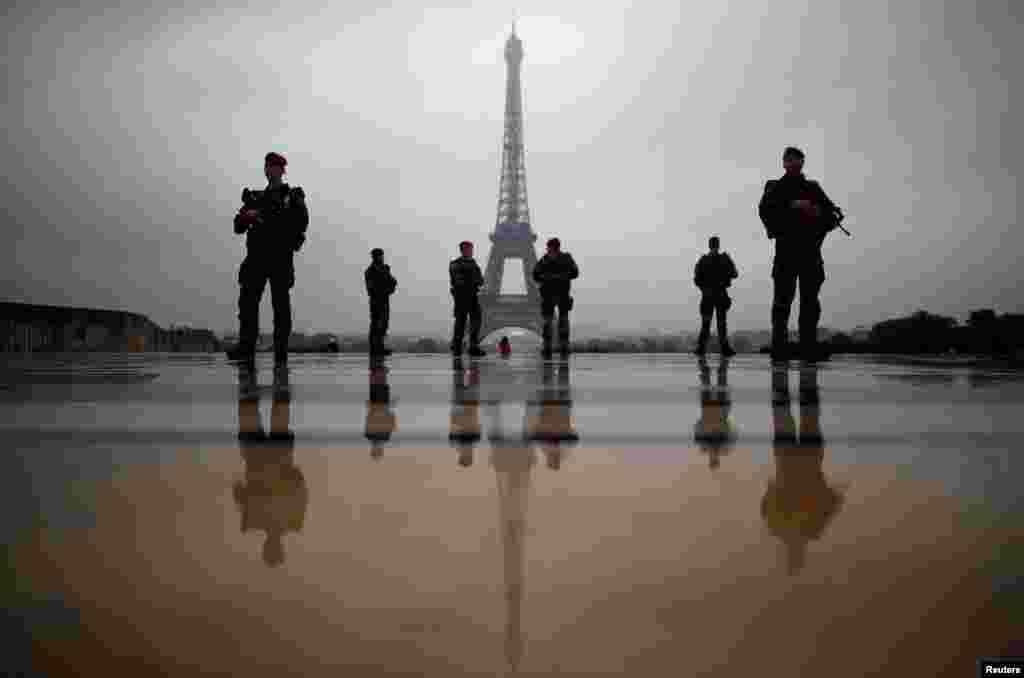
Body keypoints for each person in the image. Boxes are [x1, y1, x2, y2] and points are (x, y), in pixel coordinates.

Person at [758, 146, 842, 361]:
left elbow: (832, 216)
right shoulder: (775, 187)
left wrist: (816, 211)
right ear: (784, 163)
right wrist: (793, 205)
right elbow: (765, 211)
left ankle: (808, 344)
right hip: (786, 252)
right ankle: (779, 345)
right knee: (782, 302)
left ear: (802, 163)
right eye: (790, 160)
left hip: (810, 252)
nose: (794, 164)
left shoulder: (812, 188)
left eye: (798, 161)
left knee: (810, 302)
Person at [761, 364, 844, 574]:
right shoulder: (808, 528)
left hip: (795, 462)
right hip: (801, 462)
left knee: (797, 412)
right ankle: (798, 369)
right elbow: (766, 506)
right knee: (794, 411)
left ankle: (790, 368)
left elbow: (766, 505)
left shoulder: (799, 528)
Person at [228, 152, 309, 366]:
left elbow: (302, 222)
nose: (268, 170)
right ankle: (246, 347)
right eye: (266, 166)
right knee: (247, 304)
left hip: (280, 258)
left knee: (281, 306)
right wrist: (248, 216)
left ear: (282, 170)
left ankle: (281, 351)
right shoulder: (256, 198)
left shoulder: (292, 196)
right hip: (256, 258)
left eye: (273, 166)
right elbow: (237, 226)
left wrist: (285, 233)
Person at [232, 365, 308, 567]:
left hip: (271, 457)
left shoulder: (291, 520)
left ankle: (272, 372)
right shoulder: (285, 520)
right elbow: (238, 491)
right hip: (262, 457)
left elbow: (300, 485)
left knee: (276, 409)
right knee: (254, 408)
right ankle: (257, 372)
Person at [532, 237, 579, 358]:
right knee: (561, 321)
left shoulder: (544, 260)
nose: (547, 249)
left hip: (550, 293)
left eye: (548, 247)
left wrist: (547, 278)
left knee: (549, 322)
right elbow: (575, 272)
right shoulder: (566, 258)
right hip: (560, 292)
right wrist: (563, 276)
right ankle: (563, 346)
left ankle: (548, 346)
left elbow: (535, 275)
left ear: (551, 247)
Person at [693, 236, 738, 356]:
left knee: (706, 323)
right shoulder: (724, 259)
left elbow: (697, 279)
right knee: (721, 323)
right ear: (718, 245)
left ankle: (701, 348)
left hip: (708, 295)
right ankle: (724, 348)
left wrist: (705, 288)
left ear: (709, 245)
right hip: (720, 294)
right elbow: (734, 274)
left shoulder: (703, 260)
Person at [693, 356, 736, 470]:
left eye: (713, 459)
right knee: (718, 380)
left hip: (711, 410)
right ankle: (721, 359)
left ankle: (705, 359)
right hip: (718, 410)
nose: (714, 456)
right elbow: (731, 430)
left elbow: (697, 429)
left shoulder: (705, 446)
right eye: (715, 460)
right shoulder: (723, 447)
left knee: (709, 381)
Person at [449, 241, 486, 357]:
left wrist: (471, 281)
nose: (470, 251)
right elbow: (459, 280)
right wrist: (472, 281)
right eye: (467, 249)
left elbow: (480, 280)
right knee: (461, 321)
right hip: (461, 296)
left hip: (472, 295)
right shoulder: (456, 264)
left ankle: (473, 346)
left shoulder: (473, 264)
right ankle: (457, 346)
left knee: (476, 320)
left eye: (470, 249)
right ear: (462, 250)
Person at [449, 357, 482, 467]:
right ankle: (467, 359)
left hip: (466, 406)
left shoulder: (473, 440)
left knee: (468, 379)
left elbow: (454, 422)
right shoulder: (459, 442)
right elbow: (453, 422)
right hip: (465, 406)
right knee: (464, 378)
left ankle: (469, 359)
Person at [365, 248, 397, 356]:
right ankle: (375, 348)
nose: (382, 258)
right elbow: (371, 288)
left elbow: (393, 282)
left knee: (384, 324)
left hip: (384, 300)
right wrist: (383, 288)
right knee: (376, 325)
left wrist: (388, 287)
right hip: (376, 301)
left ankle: (380, 347)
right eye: (379, 256)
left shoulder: (384, 269)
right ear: (374, 257)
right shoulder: (370, 271)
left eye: (382, 256)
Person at [364, 360, 397, 460]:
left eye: (375, 450)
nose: (376, 448)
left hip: (378, 407)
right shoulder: (373, 436)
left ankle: (378, 369)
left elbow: (369, 419)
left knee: (377, 386)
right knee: (379, 386)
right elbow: (369, 419)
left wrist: (390, 411)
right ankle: (378, 369)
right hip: (380, 407)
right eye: (377, 450)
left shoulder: (377, 437)